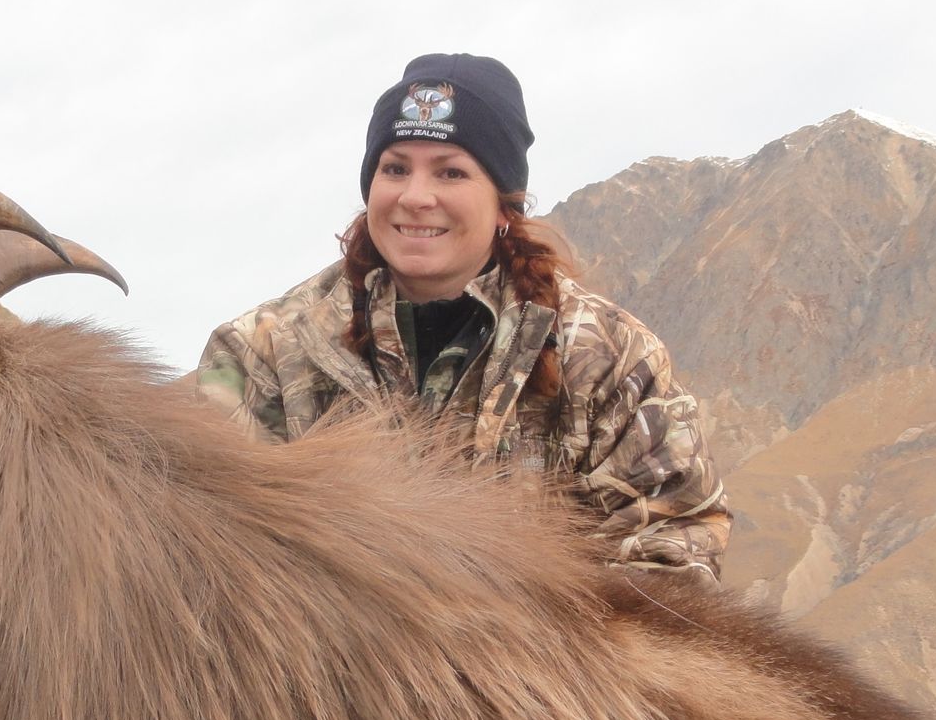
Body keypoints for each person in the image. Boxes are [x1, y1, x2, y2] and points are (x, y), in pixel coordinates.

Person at [195, 53, 730, 581]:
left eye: (451, 172)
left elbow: (677, 548)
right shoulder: (259, 353)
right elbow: (207, 550)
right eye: (395, 168)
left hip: (539, 666)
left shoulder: (610, 357)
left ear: (504, 206)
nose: (416, 196)